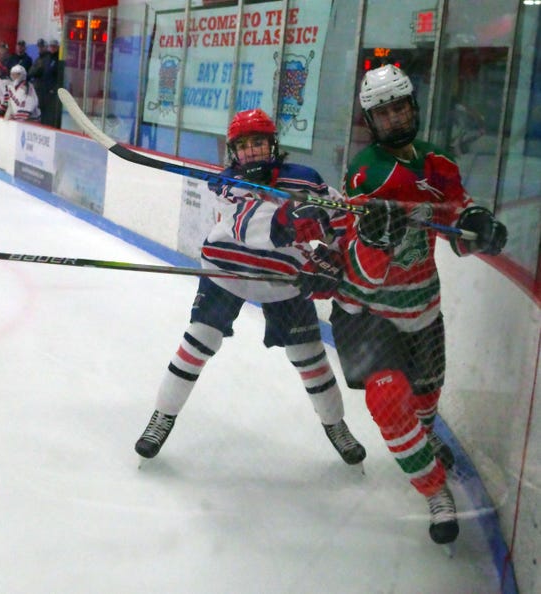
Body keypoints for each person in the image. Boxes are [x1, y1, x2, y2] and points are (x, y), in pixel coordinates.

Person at [328, 64, 507, 546]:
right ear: (371, 119)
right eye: (382, 113)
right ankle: (435, 492)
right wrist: (374, 239)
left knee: (424, 407)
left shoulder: (440, 163)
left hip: (423, 308)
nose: (393, 118)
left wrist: (478, 227)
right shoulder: (366, 172)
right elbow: (360, 273)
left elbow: (457, 227)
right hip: (368, 314)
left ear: (414, 106)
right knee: (388, 402)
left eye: (400, 107)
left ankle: (424, 442)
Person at [135, 108, 366, 469]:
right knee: (198, 341)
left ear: (272, 144)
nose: (253, 151)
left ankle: (336, 426)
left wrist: (333, 259)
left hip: (283, 282)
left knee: (310, 357)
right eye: (244, 146)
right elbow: (245, 226)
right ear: (233, 152)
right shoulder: (226, 184)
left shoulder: (306, 181)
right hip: (226, 273)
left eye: (259, 142)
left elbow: (341, 219)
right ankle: (162, 417)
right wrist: (288, 219)